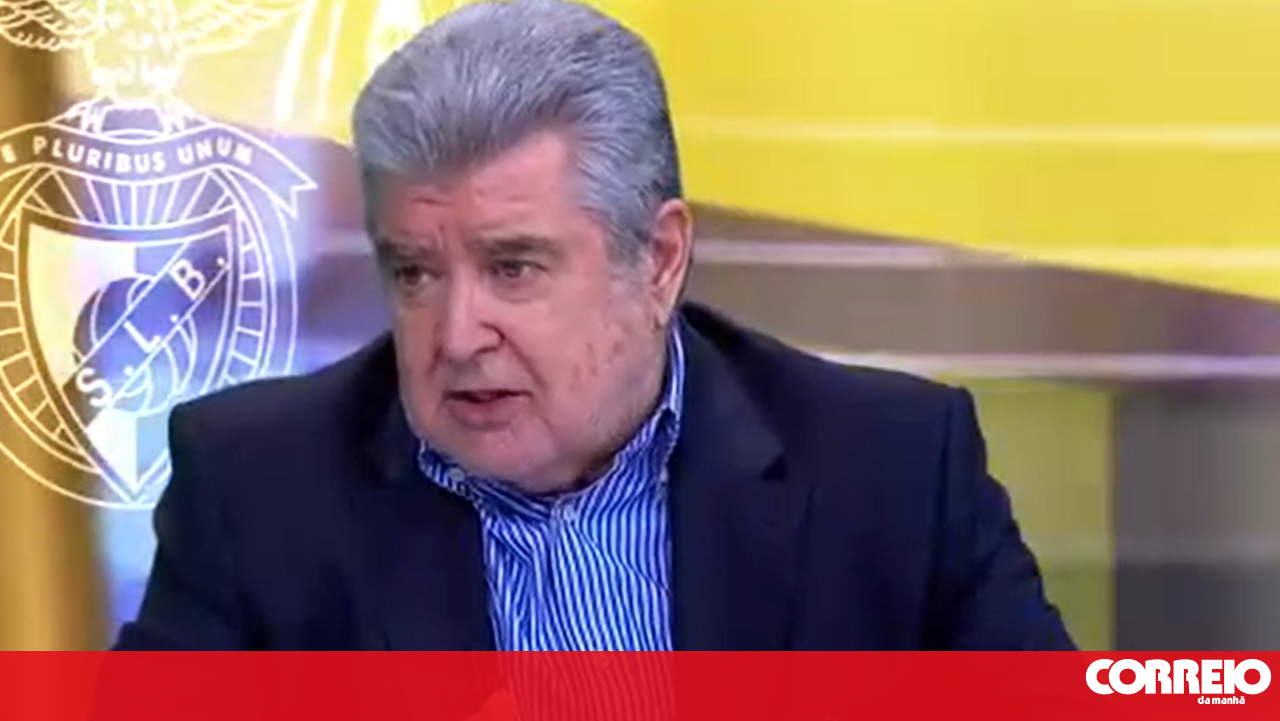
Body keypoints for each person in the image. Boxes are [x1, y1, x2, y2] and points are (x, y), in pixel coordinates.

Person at [113, 0, 1075, 652]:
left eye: (513, 267)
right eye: (415, 273)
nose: (457, 335)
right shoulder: (258, 489)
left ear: (657, 260)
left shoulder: (891, 472)